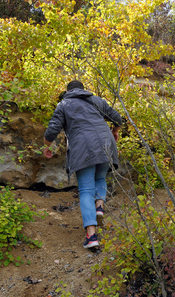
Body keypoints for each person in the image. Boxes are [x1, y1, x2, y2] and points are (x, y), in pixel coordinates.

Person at [43, 80, 122, 249]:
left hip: (83, 147)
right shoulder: (96, 100)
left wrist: (47, 146)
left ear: (67, 91)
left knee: (86, 189)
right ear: (83, 90)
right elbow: (117, 118)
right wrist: (114, 131)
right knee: (100, 177)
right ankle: (99, 206)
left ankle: (91, 236)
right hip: (106, 143)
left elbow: (53, 128)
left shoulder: (64, 104)